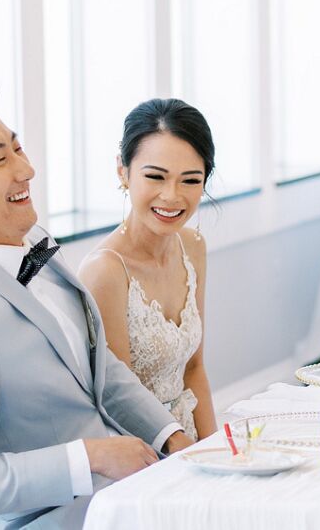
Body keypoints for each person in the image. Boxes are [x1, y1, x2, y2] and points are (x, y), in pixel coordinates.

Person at [0, 82, 193, 529]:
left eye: (18, 148)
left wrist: (175, 440)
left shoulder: (34, 244)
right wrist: (92, 455)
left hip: (126, 500)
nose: (26, 169)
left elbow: (98, 368)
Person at [78, 98, 217, 441]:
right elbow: (119, 404)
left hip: (190, 440)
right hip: (138, 449)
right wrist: (179, 451)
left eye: (190, 180)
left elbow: (194, 369)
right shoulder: (105, 272)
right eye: (155, 176)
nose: (171, 196)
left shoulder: (193, 246)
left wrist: (215, 447)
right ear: (122, 172)